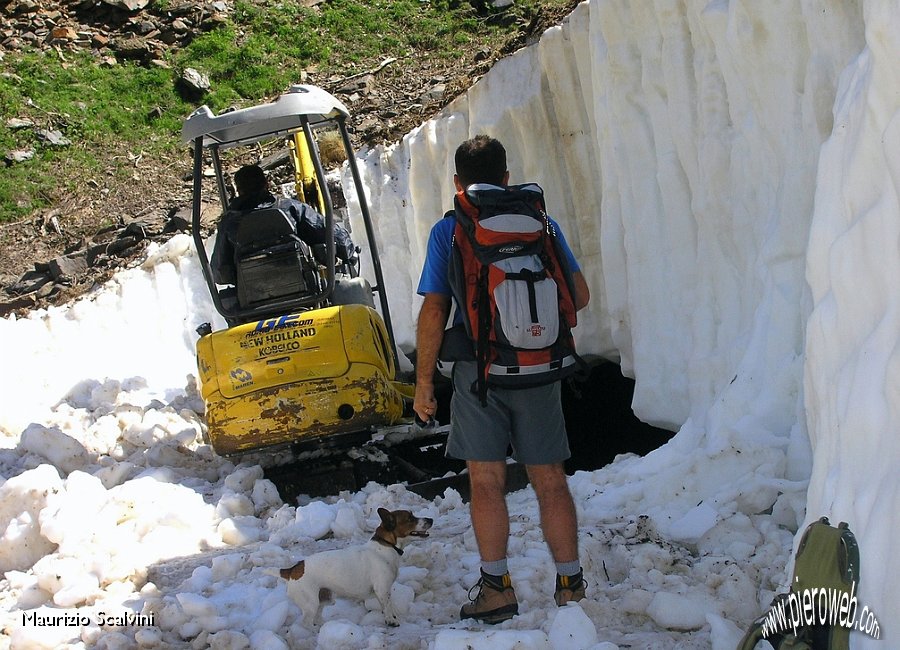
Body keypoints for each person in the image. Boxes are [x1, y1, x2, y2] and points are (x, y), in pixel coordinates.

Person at [414, 135, 591, 623]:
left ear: (457, 183)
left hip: (478, 375)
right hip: (539, 369)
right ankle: (570, 587)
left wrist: (423, 383)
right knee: (550, 480)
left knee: (486, 480)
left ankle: (497, 589)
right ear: (507, 177)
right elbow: (579, 296)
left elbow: (434, 310)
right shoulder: (542, 224)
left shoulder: (448, 231)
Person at [210, 164, 356, 286]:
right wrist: (347, 251)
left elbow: (219, 272)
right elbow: (330, 234)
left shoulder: (229, 223)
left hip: (253, 306)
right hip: (306, 293)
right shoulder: (291, 209)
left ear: (239, 191)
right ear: (266, 184)